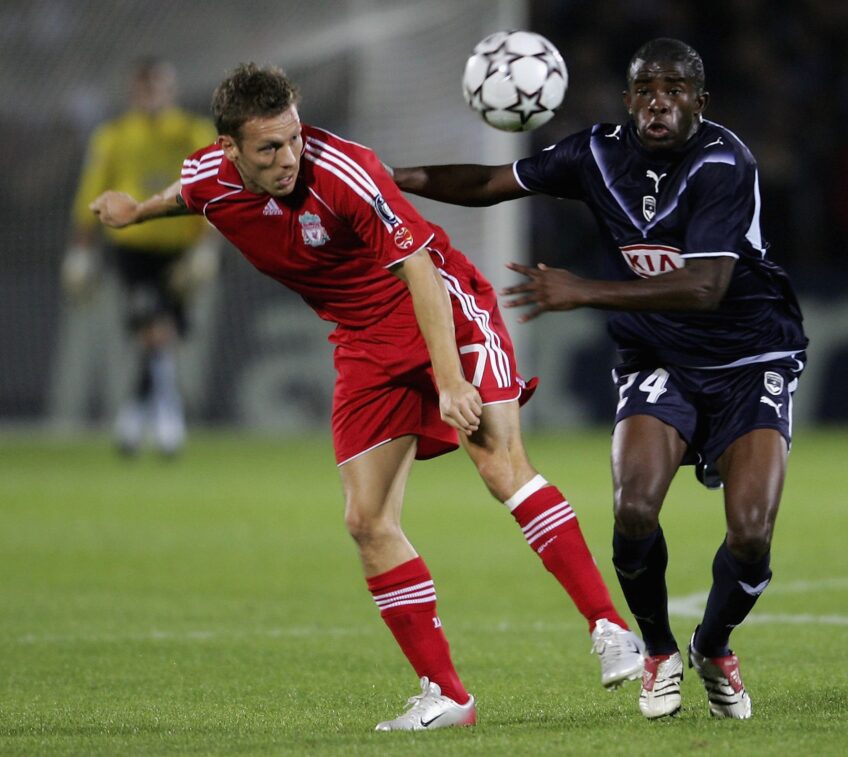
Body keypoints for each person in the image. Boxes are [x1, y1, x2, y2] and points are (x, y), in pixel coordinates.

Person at [89, 63, 643, 732]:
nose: (289, 156)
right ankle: (447, 695)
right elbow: (192, 191)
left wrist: (449, 380)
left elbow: (419, 270)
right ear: (232, 149)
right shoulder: (212, 174)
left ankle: (612, 628)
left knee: (499, 466)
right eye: (269, 147)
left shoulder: (345, 172)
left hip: (447, 312)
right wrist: (137, 210)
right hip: (362, 342)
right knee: (366, 520)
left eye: (293, 138)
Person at [392, 38, 808, 720]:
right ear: (628, 100)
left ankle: (714, 645)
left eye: (675, 89)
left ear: (699, 102)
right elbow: (490, 184)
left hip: (749, 357)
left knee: (752, 533)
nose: (659, 102)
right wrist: (395, 177)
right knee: (634, 508)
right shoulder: (596, 152)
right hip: (658, 357)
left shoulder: (724, 162)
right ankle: (658, 652)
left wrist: (584, 290)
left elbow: (706, 286)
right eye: (646, 89)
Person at [63, 57, 218, 456]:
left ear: (172, 90)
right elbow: (92, 193)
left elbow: (213, 188)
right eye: (145, 88)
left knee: (159, 337)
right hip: (132, 248)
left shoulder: (192, 131)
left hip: (178, 247)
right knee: (154, 331)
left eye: (159, 87)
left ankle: (134, 416)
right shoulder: (113, 136)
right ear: (133, 92)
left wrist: (205, 246)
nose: (152, 95)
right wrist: (81, 249)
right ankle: (168, 423)